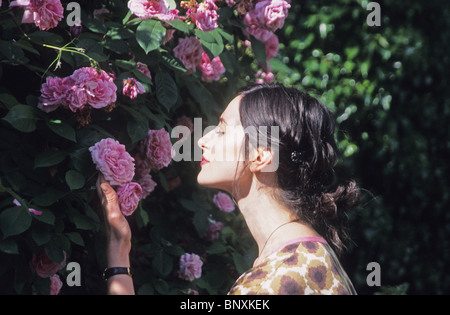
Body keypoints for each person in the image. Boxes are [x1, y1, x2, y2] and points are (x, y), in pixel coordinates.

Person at [97, 83, 360, 295]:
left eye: (222, 130)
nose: (202, 139)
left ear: (261, 156)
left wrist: (117, 256)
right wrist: (120, 248)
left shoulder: (269, 283)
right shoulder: (311, 254)